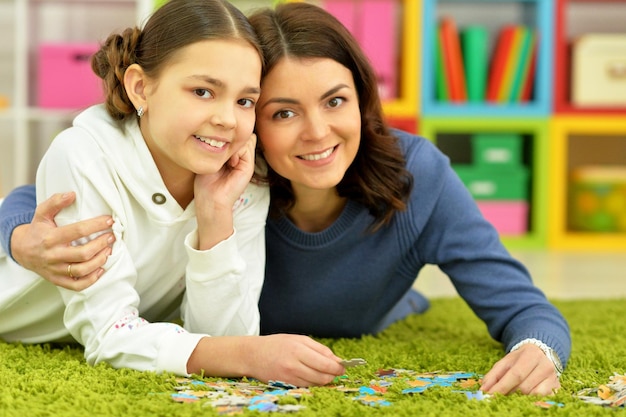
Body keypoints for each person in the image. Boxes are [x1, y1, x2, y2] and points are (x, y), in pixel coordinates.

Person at [1, 2, 570, 396]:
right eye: (282, 112)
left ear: (363, 99)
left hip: (371, 309)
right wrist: (18, 238)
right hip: (90, 316)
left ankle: (400, 301)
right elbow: (44, 191)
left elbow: (522, 303)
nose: (318, 133)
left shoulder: (413, 173)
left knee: (387, 306)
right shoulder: (232, 168)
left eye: (335, 100)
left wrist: (541, 350)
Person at [0, 0, 345, 387]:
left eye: (244, 100)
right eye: (202, 91)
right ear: (141, 87)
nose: (227, 119)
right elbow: (107, 333)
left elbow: (225, 339)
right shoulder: (84, 155)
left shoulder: (243, 176)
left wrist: (216, 213)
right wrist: (251, 353)